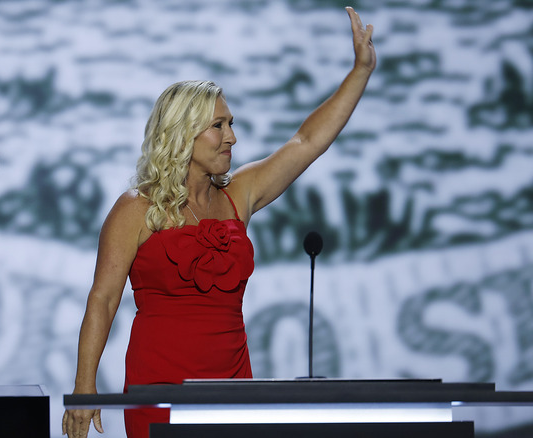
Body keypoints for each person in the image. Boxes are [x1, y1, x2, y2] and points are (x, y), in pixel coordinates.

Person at [62, 6, 376, 438]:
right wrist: (84, 387)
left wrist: (360, 71)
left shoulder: (237, 196)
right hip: (158, 388)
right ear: (182, 134)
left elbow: (305, 142)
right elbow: (102, 300)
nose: (232, 136)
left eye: (231, 124)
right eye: (219, 125)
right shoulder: (136, 208)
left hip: (232, 386)